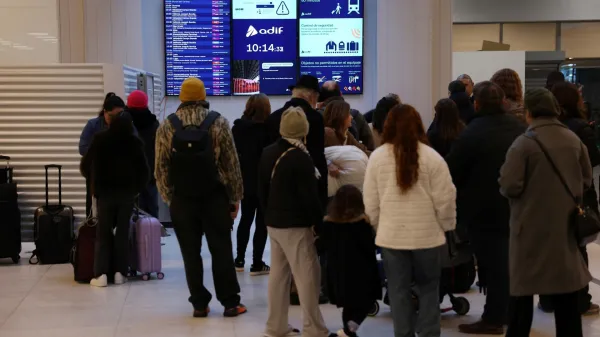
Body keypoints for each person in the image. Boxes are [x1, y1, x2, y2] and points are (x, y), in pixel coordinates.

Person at [499, 87, 592, 337]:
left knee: (521, 300)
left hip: (529, 231)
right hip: (564, 230)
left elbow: (509, 185)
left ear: (529, 112)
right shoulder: (574, 140)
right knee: (566, 301)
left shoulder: (523, 144)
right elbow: (586, 180)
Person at [154, 77, 246, 317]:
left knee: (190, 253)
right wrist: (234, 198)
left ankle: (199, 304)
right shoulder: (218, 123)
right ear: (203, 96)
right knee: (222, 250)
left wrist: (170, 198)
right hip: (214, 198)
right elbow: (232, 164)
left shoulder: (166, 126)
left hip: (183, 199)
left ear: (182, 98)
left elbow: (160, 168)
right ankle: (230, 303)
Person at [364, 104, 456, 337]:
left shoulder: (377, 157)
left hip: (392, 237)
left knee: (398, 291)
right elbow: (446, 198)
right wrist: (446, 226)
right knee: (428, 290)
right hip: (428, 237)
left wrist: (377, 226)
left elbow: (371, 201)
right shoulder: (432, 157)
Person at [446, 81, 527, 335]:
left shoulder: (472, 132)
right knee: (511, 264)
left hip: (482, 211)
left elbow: (452, 171)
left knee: (492, 267)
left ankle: (494, 317)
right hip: (517, 207)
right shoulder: (519, 128)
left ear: (476, 103)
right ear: (503, 102)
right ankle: (511, 314)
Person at [258, 107, 336, 337]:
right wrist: (318, 226)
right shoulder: (301, 157)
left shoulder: (268, 152)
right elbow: (309, 198)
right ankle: (314, 329)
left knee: (278, 276)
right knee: (307, 277)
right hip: (296, 226)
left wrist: (268, 216)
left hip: (274, 223)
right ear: (304, 131)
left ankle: (276, 326)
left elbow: (261, 190)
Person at [537, 82, 600, 316]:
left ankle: (548, 298)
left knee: (550, 249)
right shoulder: (581, 128)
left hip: (549, 196)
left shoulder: (543, 130)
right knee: (577, 248)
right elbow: (592, 160)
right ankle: (580, 299)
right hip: (579, 197)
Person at [265, 75, 329, 304]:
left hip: (277, 202)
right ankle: (310, 316)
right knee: (307, 263)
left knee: (278, 267)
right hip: (304, 196)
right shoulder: (314, 119)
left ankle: (277, 318)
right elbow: (319, 161)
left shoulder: (272, 119)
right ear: (311, 96)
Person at [80, 98, 150, 287]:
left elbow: (85, 165)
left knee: (103, 234)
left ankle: (101, 274)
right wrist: (136, 189)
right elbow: (145, 172)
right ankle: (121, 272)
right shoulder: (134, 142)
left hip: (104, 194)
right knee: (123, 232)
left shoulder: (100, 140)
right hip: (127, 195)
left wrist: (94, 184)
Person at [322, 185, 381, 337]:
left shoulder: (328, 224)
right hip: (361, 273)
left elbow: (322, 247)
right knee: (366, 302)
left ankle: (347, 331)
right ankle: (349, 330)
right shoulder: (361, 225)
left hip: (337, 274)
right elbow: (370, 247)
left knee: (348, 306)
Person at [232, 93, 271, 276]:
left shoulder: (238, 128)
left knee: (245, 220)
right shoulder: (270, 130)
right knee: (261, 224)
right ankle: (257, 263)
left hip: (245, 181)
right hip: (264, 182)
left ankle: (239, 259)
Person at [79, 92, 120, 216]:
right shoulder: (93, 125)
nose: (113, 119)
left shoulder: (124, 126)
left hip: (117, 173)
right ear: (105, 112)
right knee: (94, 207)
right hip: (96, 173)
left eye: (118, 115)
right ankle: (92, 229)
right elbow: (82, 148)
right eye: (111, 115)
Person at [126, 90, 160, 217]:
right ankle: (152, 234)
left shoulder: (124, 123)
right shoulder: (154, 123)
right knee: (152, 209)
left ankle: (134, 236)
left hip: (130, 174)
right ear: (146, 104)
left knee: (132, 210)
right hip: (150, 173)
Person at [319, 81, 375, 150]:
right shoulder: (356, 115)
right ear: (341, 94)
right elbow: (369, 144)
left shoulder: (317, 116)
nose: (350, 117)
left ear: (320, 97)